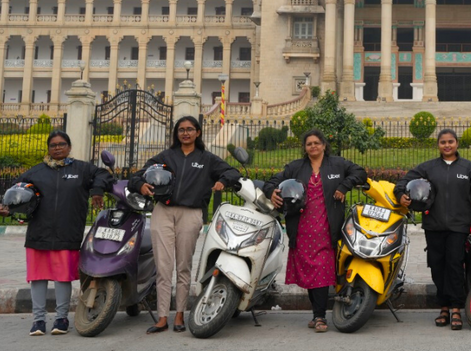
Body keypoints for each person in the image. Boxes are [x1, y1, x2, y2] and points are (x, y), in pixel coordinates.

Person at [128, 115, 240, 334]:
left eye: (190, 129)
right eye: (181, 130)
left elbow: (232, 172)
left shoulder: (207, 158)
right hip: (163, 212)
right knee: (163, 266)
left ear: (198, 132)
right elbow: (137, 176)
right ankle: (162, 317)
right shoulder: (166, 157)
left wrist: (222, 181)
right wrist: (141, 185)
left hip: (191, 214)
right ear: (176, 133)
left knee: (183, 266)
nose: (185, 133)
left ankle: (179, 314)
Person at [0, 131, 111, 336]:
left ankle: (61, 319)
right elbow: (14, 191)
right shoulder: (35, 173)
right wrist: (7, 206)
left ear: (69, 147)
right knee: (38, 277)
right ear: (48, 148)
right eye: (53, 145)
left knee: (62, 278)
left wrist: (97, 190)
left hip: (67, 232)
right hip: (38, 234)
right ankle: (38, 320)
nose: (57, 148)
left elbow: (104, 174)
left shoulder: (82, 169)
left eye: (61, 144)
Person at [394, 129, 471, 330]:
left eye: (450, 141)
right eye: (443, 142)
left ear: (457, 143)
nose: (447, 145)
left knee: (454, 265)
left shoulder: (468, 168)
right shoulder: (428, 168)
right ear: (438, 145)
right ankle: (443, 306)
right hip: (433, 225)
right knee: (437, 266)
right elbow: (404, 182)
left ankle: (456, 308)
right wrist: (401, 194)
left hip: (459, 227)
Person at [264, 128, 366, 333]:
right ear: (305, 147)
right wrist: (271, 192)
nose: (313, 146)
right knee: (311, 272)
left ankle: (319, 316)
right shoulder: (295, 167)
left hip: (326, 228)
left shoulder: (337, 164)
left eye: (316, 143)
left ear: (324, 145)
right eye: (309, 144)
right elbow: (272, 182)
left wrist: (345, 186)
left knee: (321, 269)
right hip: (301, 228)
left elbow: (360, 172)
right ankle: (316, 313)